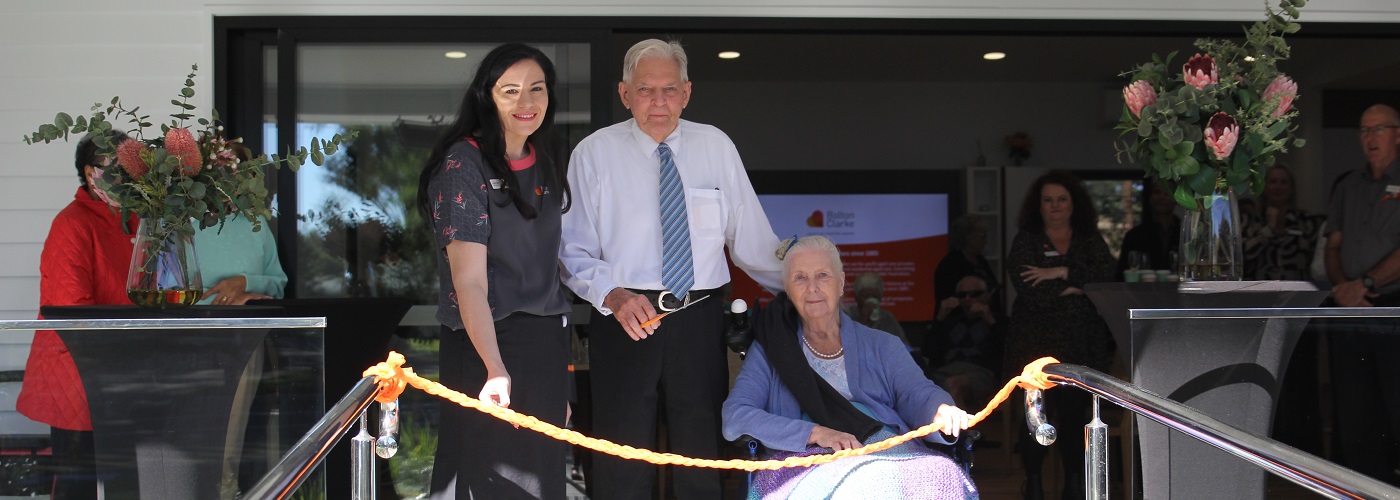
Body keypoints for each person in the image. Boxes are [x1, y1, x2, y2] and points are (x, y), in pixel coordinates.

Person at [558, 38, 785, 499]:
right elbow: (571, 250)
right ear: (625, 94)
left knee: (701, 452)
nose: (658, 102)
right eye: (645, 90)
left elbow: (754, 241)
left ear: (687, 92)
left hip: (698, 320)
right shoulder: (593, 154)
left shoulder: (715, 146)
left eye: (669, 90)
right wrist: (613, 296)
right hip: (623, 317)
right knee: (621, 456)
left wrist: (806, 285)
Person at [416, 42, 573, 499]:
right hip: (485, 342)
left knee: (541, 480)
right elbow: (469, 281)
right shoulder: (463, 163)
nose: (527, 103)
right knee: (488, 478)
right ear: (487, 96)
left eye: (537, 89)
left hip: (542, 346)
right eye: (511, 91)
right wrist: (495, 368)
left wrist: (555, 386)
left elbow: (549, 270)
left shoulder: (546, 159)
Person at [721, 236, 976, 499]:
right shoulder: (769, 351)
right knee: (871, 483)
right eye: (800, 278)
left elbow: (917, 392)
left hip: (884, 445)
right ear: (787, 287)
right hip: (803, 459)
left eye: (822, 275)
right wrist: (816, 433)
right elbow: (736, 415)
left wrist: (940, 410)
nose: (812, 288)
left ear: (841, 283)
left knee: (941, 477)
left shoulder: (883, 345)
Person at [18, 131, 136, 500]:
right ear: (90, 172)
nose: (127, 178)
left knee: (127, 482)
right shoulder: (72, 223)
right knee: (77, 483)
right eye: (117, 169)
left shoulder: (134, 220)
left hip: (124, 371)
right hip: (77, 370)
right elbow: (72, 308)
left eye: (132, 170)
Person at [1004, 170, 1115, 500]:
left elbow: (1103, 281)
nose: (1055, 206)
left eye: (1062, 199)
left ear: (1073, 203)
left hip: (1081, 344)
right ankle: (1034, 482)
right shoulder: (1026, 240)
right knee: (1035, 414)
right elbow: (1029, 289)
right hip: (1033, 343)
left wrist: (1059, 272)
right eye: (1048, 200)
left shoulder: (1089, 239)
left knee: (1073, 415)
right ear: (1038, 206)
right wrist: (1075, 287)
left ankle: (1073, 485)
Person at [1323, 103, 1400, 484]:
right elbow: (1333, 244)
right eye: (1364, 131)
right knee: (1355, 409)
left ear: (1398, 134)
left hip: (1393, 308)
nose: (1370, 138)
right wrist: (1343, 287)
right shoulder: (1348, 185)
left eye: (1379, 130)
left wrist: (1365, 284)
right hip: (1350, 308)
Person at [925, 273, 1003, 409]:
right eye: (962, 295)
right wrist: (940, 317)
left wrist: (990, 320)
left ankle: (962, 430)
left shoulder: (997, 320)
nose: (968, 299)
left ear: (986, 295)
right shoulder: (950, 321)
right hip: (947, 369)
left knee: (953, 384)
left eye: (975, 294)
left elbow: (1006, 350)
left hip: (982, 372)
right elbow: (928, 351)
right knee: (923, 385)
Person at [1243, 165, 1325, 281]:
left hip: (1298, 292)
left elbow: (1317, 260)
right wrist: (1269, 229)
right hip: (1258, 292)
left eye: (1284, 182)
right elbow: (1243, 255)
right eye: (1272, 182)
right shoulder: (1250, 220)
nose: (1278, 187)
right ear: (1264, 186)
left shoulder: (1307, 222)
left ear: (1291, 188)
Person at [934, 214, 999, 316]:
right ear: (969, 237)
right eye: (983, 237)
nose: (986, 241)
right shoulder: (950, 265)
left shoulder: (980, 260)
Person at [1116, 177, 1180, 277]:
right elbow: (1122, 273)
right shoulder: (1134, 236)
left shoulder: (1186, 234)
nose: (1161, 197)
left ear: (1177, 199)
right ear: (1150, 198)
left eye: (1167, 193)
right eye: (1157, 192)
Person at [843, 272, 910, 347]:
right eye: (866, 296)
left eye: (875, 296)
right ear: (856, 297)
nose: (870, 300)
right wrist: (863, 320)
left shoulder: (887, 318)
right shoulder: (846, 315)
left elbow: (904, 346)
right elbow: (843, 344)